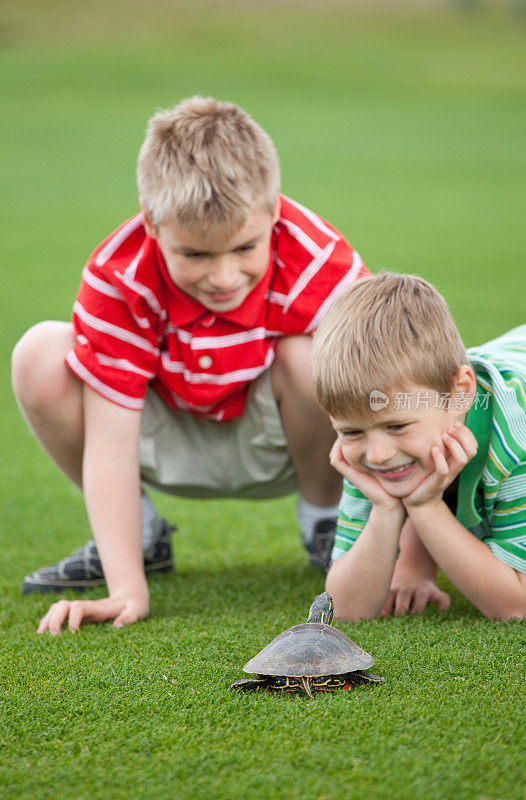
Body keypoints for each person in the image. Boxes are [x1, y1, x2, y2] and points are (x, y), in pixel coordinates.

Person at [11, 96, 369, 634]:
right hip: (162, 438)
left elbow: (379, 394)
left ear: (273, 212)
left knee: (317, 352)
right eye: (196, 255)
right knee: (39, 353)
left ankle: (326, 522)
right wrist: (126, 589)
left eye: (245, 248)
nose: (224, 278)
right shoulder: (120, 275)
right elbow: (109, 440)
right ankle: (143, 538)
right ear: (153, 225)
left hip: (291, 444)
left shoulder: (317, 257)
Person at [311, 272, 526, 622]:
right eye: (350, 432)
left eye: (397, 426)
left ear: (459, 393)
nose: (377, 454)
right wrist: (385, 510)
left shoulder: (516, 436)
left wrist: (425, 506)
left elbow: (515, 605)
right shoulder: (371, 432)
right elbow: (345, 610)